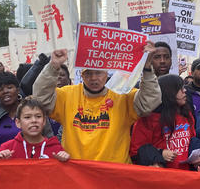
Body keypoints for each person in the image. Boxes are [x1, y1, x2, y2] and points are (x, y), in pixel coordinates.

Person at [33, 45, 162, 163]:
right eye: (88, 73)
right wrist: (53, 66)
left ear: (106, 74)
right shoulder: (67, 95)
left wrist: (147, 68)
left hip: (114, 176)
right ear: (82, 75)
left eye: (98, 72)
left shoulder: (122, 95)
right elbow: (40, 98)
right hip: (78, 175)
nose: (94, 78)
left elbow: (150, 101)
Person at [130, 74, 200, 170]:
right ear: (168, 92)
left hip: (186, 176)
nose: (185, 91)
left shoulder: (187, 115)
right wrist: (160, 153)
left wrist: (199, 158)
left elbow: (192, 141)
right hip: (162, 178)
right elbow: (135, 151)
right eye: (180, 88)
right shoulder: (148, 119)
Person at [0, 72, 51, 158]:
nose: (5, 91)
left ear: (17, 89)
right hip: (0, 167)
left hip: (32, 167)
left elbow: (49, 139)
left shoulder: (34, 110)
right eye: (0, 89)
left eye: (9, 87)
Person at [0, 97, 69, 161]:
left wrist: (64, 161)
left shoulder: (55, 149)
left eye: (38, 116)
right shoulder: (7, 148)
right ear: (18, 123)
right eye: (27, 117)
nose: (34, 120)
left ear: (44, 121)